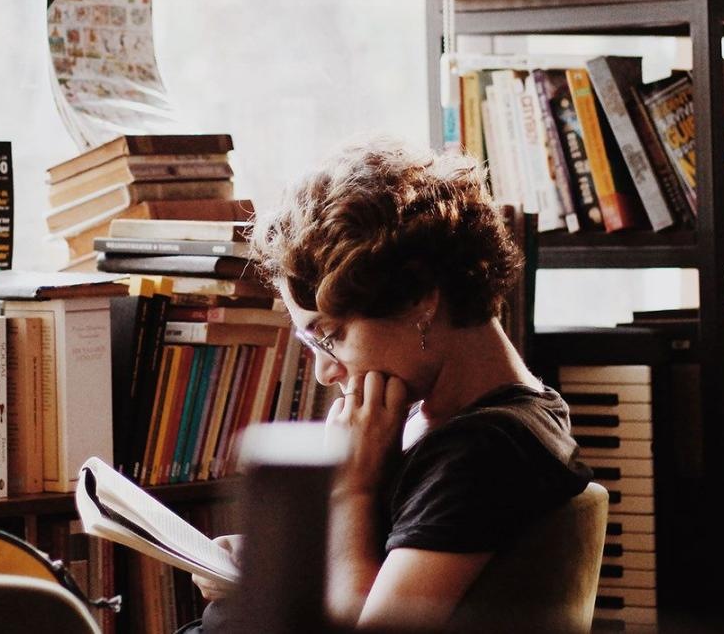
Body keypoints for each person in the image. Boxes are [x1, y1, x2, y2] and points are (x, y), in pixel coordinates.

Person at [192, 135, 594, 631]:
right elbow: (388, 553)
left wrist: (351, 492)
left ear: (418, 299)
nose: (324, 370)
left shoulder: (485, 451)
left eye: (332, 335)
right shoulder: (465, 419)